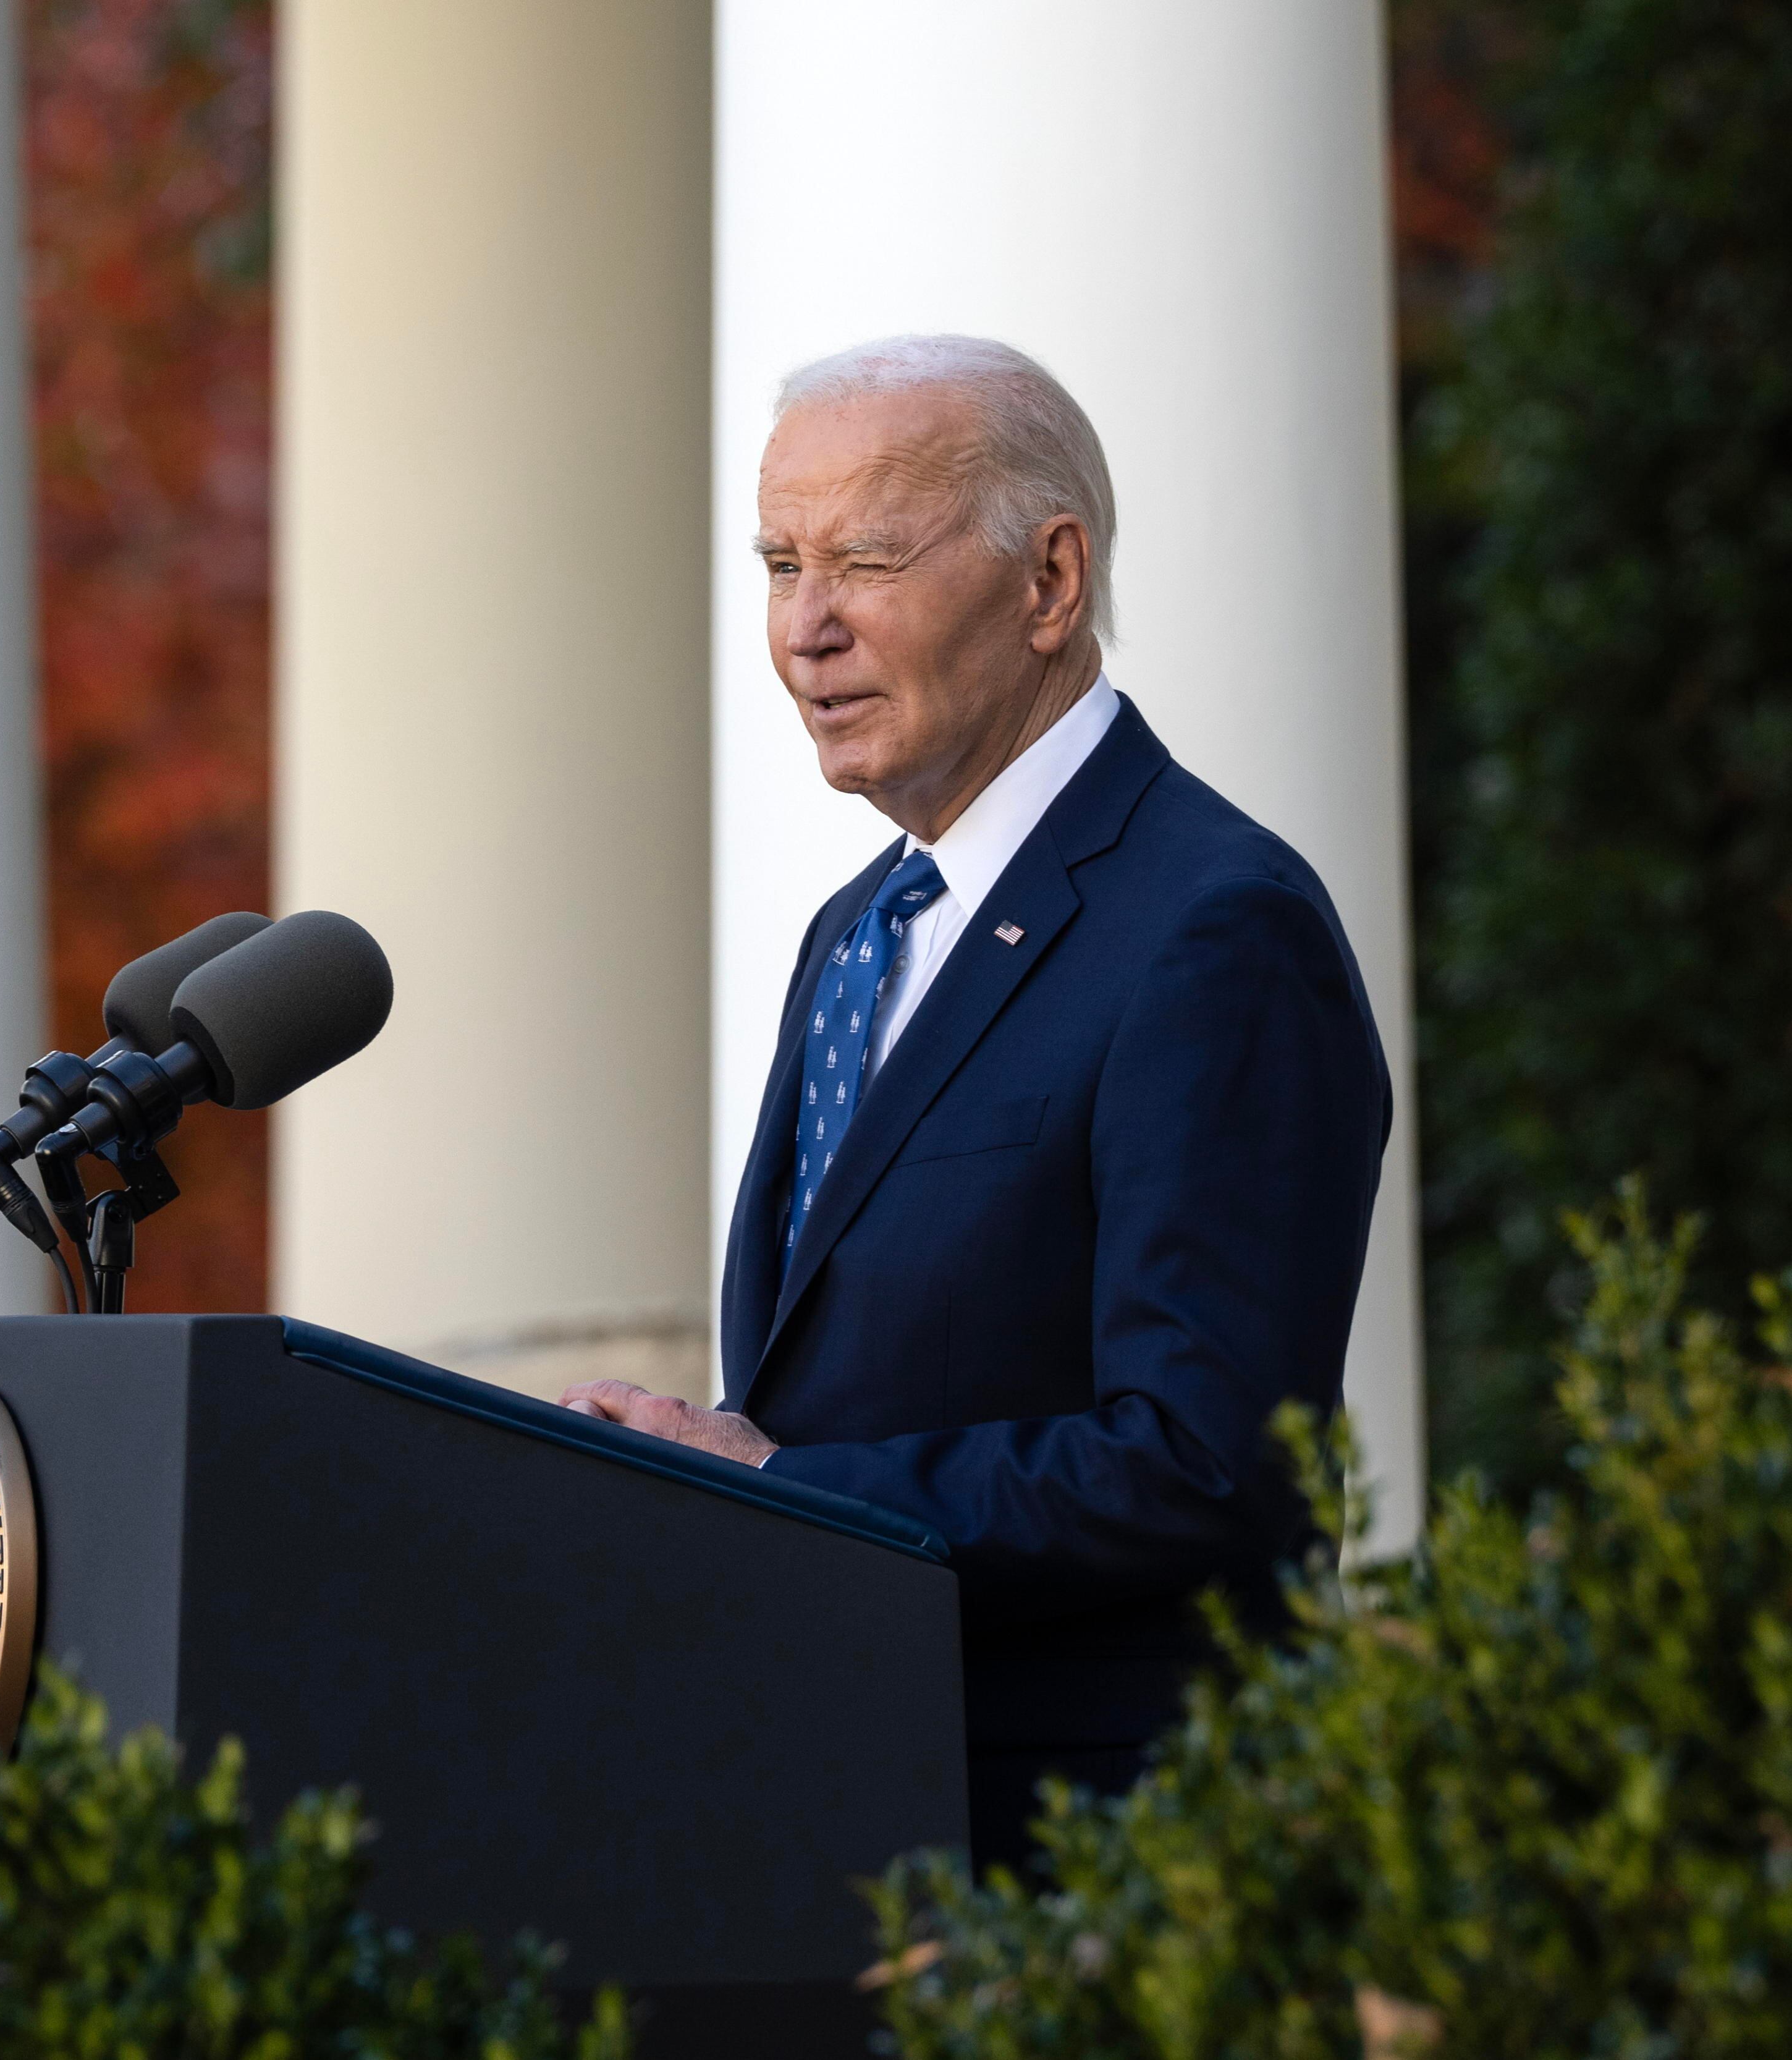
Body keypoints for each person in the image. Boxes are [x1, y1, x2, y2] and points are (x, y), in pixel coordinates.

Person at [564, 334, 1391, 1869]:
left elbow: (1208, 1459)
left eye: (866, 561)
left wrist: (779, 1487)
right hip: (853, 1824)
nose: (805, 628)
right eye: (780, 564)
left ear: (1048, 582)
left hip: (1114, 1869)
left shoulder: (1215, 926)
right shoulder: (856, 932)